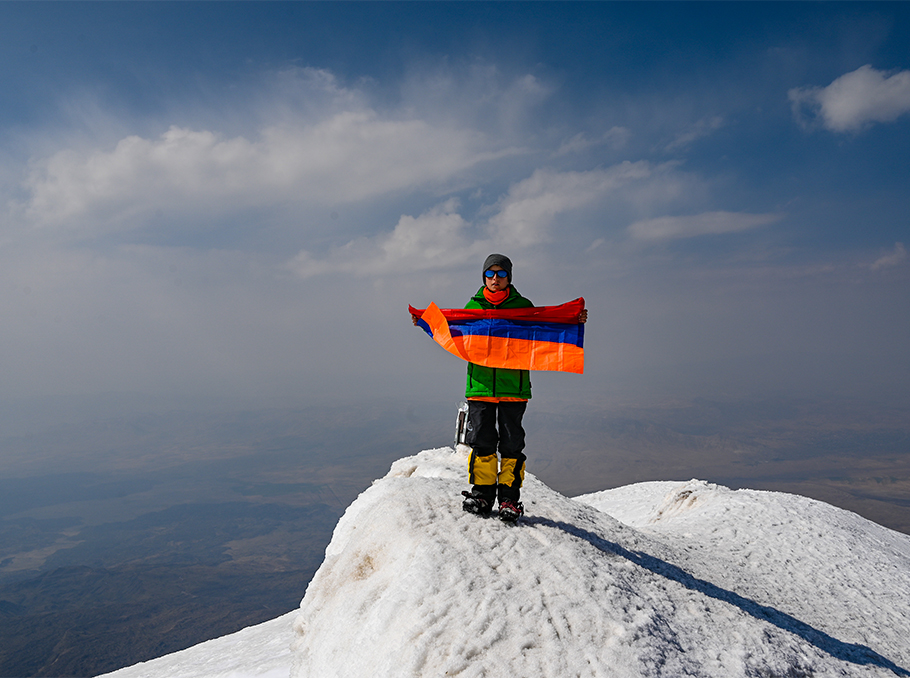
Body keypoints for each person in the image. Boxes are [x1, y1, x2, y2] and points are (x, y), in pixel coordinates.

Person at [413, 253, 587, 523]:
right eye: (491, 274)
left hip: (513, 388)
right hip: (480, 387)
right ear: (484, 277)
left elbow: (546, 327)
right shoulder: (473, 307)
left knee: (511, 445)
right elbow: (451, 329)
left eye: (502, 274)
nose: (496, 279)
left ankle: (509, 499)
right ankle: (482, 494)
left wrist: (573, 319)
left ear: (509, 277)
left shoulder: (523, 307)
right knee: (482, 443)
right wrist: (426, 320)